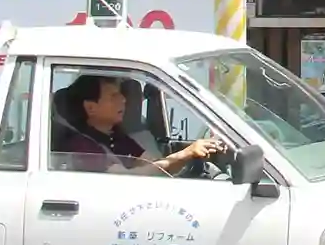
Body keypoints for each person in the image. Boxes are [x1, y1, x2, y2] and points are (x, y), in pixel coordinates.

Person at [55, 74, 228, 176]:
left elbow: (153, 165)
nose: (123, 100)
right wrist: (184, 154)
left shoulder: (117, 135)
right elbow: (127, 179)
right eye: (113, 96)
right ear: (91, 107)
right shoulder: (81, 147)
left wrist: (188, 155)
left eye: (122, 94)